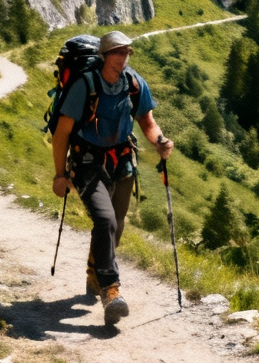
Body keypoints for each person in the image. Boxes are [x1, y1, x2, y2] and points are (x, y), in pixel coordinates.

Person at [51, 30, 173, 324]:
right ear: (105, 55)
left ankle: (95, 272)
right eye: (118, 52)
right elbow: (62, 132)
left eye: (127, 52)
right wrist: (60, 174)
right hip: (88, 161)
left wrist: (159, 142)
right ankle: (111, 291)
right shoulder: (85, 84)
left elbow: (147, 121)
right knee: (104, 220)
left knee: (114, 227)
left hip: (122, 162)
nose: (123, 57)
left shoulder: (133, 83)